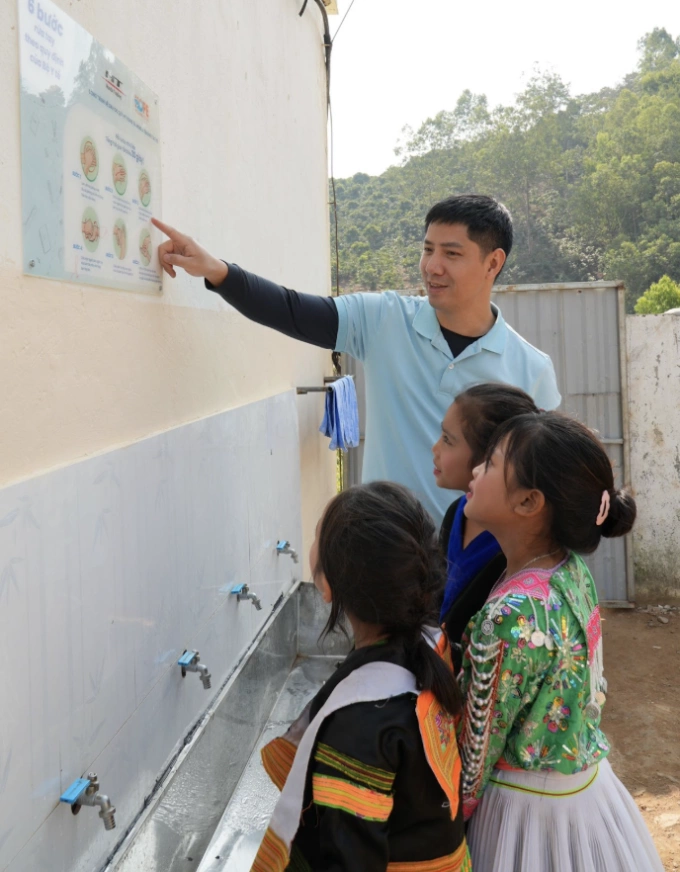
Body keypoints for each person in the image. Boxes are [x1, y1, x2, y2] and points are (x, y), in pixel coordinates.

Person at [151, 194, 561, 524]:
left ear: (493, 262)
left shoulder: (531, 369)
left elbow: (541, 479)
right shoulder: (383, 319)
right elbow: (292, 310)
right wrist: (217, 271)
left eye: (452, 254)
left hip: (478, 563)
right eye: (427, 249)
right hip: (387, 551)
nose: (432, 266)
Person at [458, 412, 663, 871]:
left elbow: (475, 755)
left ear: (529, 501)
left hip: (523, 820)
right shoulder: (570, 571)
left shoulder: (508, 617)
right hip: (588, 799)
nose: (475, 469)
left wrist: (448, 822)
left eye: (490, 463)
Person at [251, 482, 471, 872]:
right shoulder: (432, 648)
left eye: (317, 534)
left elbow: (349, 861)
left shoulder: (358, 728)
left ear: (327, 586)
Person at [432, 384, 538, 651]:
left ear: (487, 457)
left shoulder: (513, 548)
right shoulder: (457, 513)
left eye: (447, 440)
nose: (435, 448)